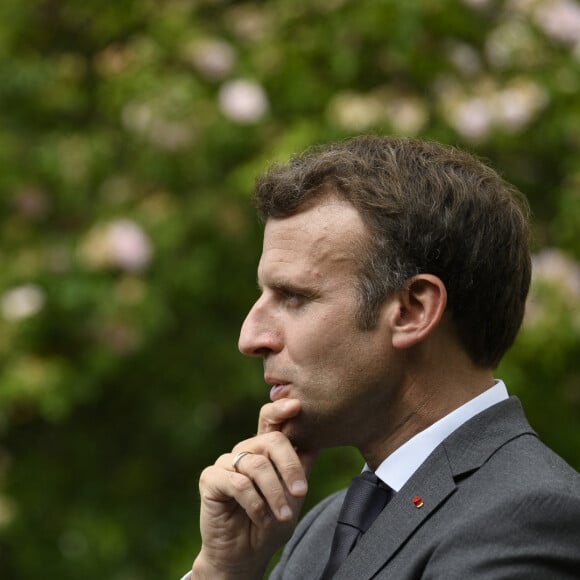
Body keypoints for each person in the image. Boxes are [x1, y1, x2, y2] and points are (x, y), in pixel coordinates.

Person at [183, 136, 580, 579]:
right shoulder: (319, 528)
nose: (250, 337)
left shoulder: (530, 517)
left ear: (413, 310)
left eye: (294, 297)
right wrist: (222, 571)